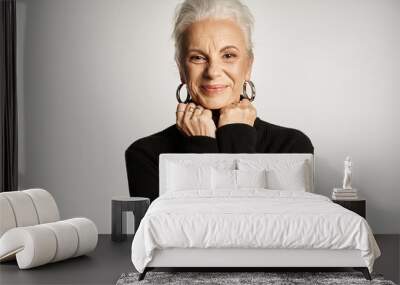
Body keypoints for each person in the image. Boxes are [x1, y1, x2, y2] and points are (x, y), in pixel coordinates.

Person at [125, 0, 314, 202]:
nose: (213, 72)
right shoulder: (146, 155)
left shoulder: (290, 147)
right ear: (181, 69)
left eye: (228, 55)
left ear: (248, 65)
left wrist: (237, 135)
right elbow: (181, 230)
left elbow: (258, 226)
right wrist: (201, 145)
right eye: (198, 57)